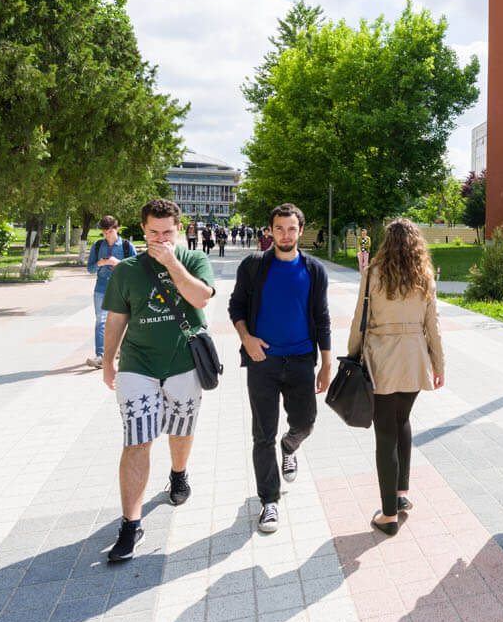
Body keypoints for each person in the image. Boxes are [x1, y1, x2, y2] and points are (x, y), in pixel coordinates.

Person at [99, 198, 216, 561]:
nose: (160, 239)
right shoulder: (128, 270)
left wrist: (172, 263)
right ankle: (130, 525)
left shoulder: (194, 260)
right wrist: (108, 362)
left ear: (178, 229)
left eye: (167, 232)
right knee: (137, 440)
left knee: (180, 430)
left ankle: (178, 474)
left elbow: (200, 297)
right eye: (153, 232)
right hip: (138, 365)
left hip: (184, 363)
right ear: (142, 230)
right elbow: (117, 319)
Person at [229, 203, 331, 534]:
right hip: (263, 362)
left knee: (306, 423)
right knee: (263, 434)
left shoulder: (314, 270)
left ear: (301, 231)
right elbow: (236, 307)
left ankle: (289, 448)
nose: (285, 235)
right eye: (279, 228)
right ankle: (269, 502)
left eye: (291, 229)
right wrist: (247, 339)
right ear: (270, 231)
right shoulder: (254, 266)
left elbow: (322, 317)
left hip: (302, 359)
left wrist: (327, 362)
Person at [348, 218, 446, 536]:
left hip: (381, 359)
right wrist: (439, 366)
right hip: (415, 359)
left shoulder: (373, 274)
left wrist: (351, 356)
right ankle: (401, 495)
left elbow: (359, 321)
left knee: (385, 434)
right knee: (402, 421)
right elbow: (434, 326)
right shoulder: (425, 278)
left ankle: (388, 515)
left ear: (386, 244)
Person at [85, 216, 136, 369]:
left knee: (125, 321)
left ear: (117, 229)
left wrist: (118, 263)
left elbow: (136, 268)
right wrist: (100, 263)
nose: (108, 235)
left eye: (110, 232)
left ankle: (121, 350)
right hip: (101, 289)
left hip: (122, 290)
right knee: (101, 321)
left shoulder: (127, 246)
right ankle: (100, 356)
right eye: (105, 232)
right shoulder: (97, 246)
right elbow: (90, 268)